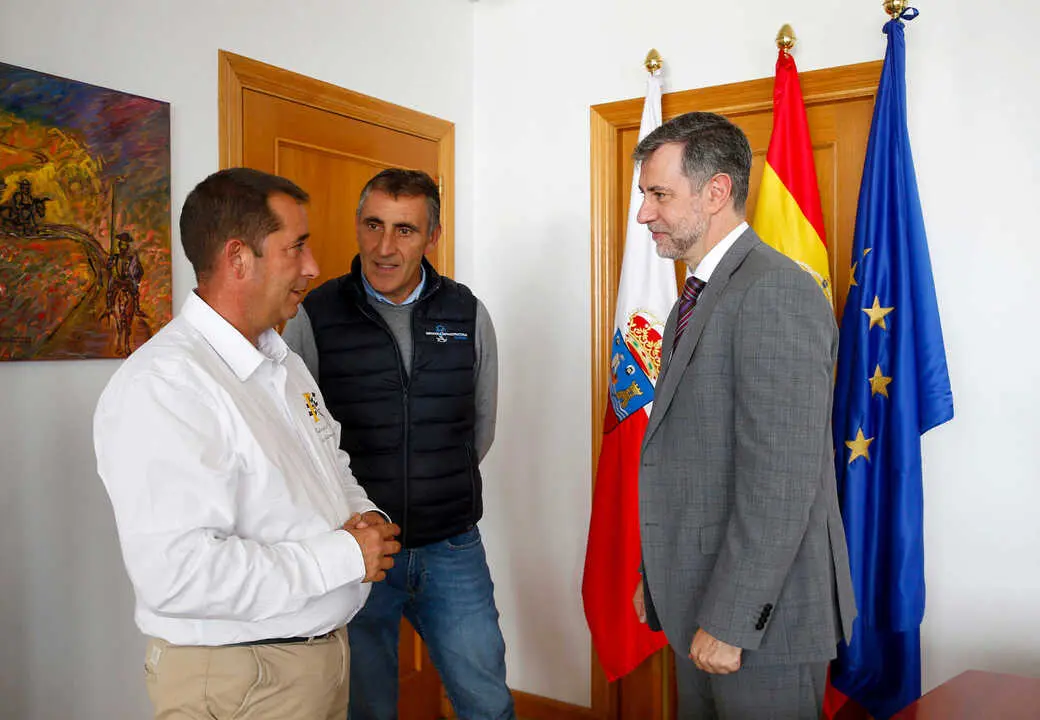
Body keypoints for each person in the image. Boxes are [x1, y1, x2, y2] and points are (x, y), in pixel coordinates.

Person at [93, 167, 401, 720]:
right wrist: (344, 556)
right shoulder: (164, 387)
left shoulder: (283, 362)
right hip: (242, 684)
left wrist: (366, 516)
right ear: (239, 258)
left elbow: (331, 467)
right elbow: (180, 574)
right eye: (296, 247)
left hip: (308, 665)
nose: (312, 267)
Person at [630, 112, 857, 718]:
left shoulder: (773, 291)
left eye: (659, 194)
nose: (643, 213)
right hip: (698, 598)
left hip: (761, 622)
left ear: (717, 191)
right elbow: (696, 451)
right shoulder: (703, 290)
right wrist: (659, 573)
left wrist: (731, 620)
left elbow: (780, 480)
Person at [282, 168, 513, 720]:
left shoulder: (466, 312)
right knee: (367, 707)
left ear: (432, 237)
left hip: (452, 547)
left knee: (487, 701)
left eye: (405, 230)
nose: (385, 248)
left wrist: (434, 482)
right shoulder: (314, 315)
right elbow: (300, 439)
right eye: (373, 225)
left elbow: (481, 427)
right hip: (361, 552)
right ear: (358, 226)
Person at [104, 232, 144, 320]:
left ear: (127, 247)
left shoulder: (132, 258)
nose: (123, 251)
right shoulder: (114, 257)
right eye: (121, 249)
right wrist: (110, 264)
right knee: (110, 290)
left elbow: (139, 271)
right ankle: (109, 307)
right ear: (119, 247)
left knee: (135, 291)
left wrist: (134, 278)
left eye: (124, 249)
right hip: (117, 279)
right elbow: (108, 268)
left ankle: (137, 309)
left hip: (128, 280)